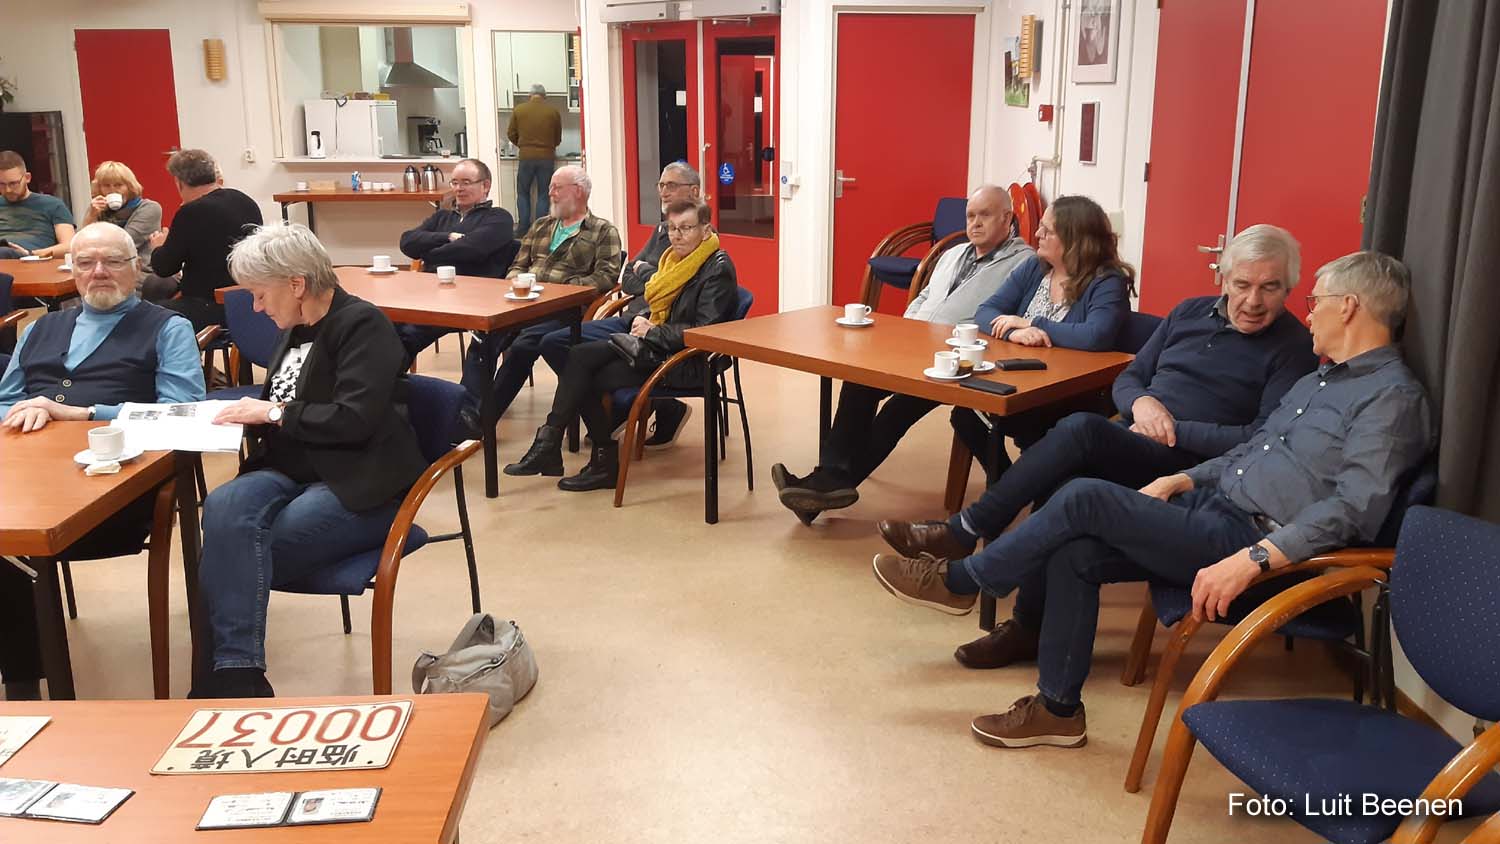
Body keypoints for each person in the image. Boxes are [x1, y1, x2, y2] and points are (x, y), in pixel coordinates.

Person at [872, 251, 1433, 750]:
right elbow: (1252, 451)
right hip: (1212, 508)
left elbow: (1355, 509)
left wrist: (1256, 558)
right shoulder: (1320, 382)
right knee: (1076, 547)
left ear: (1349, 307)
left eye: (1315, 301)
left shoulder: (1391, 398)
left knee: (1084, 495)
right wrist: (1181, 480)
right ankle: (1058, 712)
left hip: (1253, 543)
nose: (1307, 314)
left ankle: (963, 580)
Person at [876, 224, 1318, 669]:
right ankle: (1025, 625)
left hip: (1193, 469)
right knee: (1064, 477)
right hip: (1135, 437)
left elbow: (1260, 439)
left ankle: (965, 534)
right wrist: (1142, 403)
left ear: (1289, 289)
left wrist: (1173, 429)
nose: (1253, 300)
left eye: (1270, 287)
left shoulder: (1294, 348)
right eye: (1242, 284)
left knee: (1081, 431)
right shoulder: (1189, 312)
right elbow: (1130, 377)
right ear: (1223, 278)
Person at [771, 192, 1130, 523]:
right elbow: (988, 311)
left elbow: (1096, 335)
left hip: (1057, 388)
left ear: (1074, 237)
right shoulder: (1036, 268)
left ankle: (827, 485)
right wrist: (1014, 331)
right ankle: (828, 481)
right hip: (1004, 369)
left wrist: (1031, 324)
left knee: (932, 408)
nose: (1038, 233)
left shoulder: (1105, 280)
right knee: (861, 380)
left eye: (1047, 230)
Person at [193, 223, 427, 698]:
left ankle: (228, 675)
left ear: (296, 284)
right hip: (289, 467)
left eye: (260, 294)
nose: (256, 307)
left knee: (238, 550)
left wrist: (272, 412)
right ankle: (239, 673)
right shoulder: (296, 327)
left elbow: (353, 419)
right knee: (222, 509)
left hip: (356, 477)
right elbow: (285, 406)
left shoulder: (363, 325)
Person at [0, 222, 204, 701]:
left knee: (9, 554)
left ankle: (26, 689)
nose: (99, 272)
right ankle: (24, 678)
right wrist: (20, 411)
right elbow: (5, 399)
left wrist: (86, 413)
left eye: (112, 261)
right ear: (71, 270)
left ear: (137, 268)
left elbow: (184, 412)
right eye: (86, 263)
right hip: (28, 476)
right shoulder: (41, 328)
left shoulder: (168, 328)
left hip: (115, 487)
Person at [503, 198, 734, 491]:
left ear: (706, 229)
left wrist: (653, 331)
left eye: (686, 228)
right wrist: (648, 322)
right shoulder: (675, 261)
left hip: (686, 360)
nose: (676, 236)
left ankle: (590, 456)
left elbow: (706, 329)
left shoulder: (716, 267)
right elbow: (650, 293)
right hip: (658, 346)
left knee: (583, 373)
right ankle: (558, 443)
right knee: (578, 357)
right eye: (672, 228)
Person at [457, 165, 621, 431]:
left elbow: (606, 276)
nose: (550, 194)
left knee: (523, 347)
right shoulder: (541, 225)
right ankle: (464, 410)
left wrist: (563, 291)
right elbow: (518, 265)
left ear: (578, 191)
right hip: (524, 302)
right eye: (551, 188)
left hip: (564, 310)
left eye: (557, 188)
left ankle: (481, 421)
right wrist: (517, 282)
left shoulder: (602, 230)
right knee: (482, 338)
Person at [394, 158, 518, 358]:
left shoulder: (498, 218)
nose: (459, 189)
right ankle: (387, 374)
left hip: (472, 300)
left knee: (408, 333)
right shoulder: (442, 217)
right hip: (430, 294)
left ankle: (385, 373)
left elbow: (471, 249)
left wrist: (427, 252)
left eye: (466, 182)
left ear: (485, 186)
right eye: (455, 182)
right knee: (384, 322)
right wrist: (447, 236)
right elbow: (407, 242)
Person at [147, 149, 263, 330]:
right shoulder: (244, 200)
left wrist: (158, 247)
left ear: (179, 182)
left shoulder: (190, 213)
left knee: (146, 312)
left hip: (209, 304)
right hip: (250, 300)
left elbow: (164, 268)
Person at [79, 160, 163, 260]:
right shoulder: (98, 210)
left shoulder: (149, 208)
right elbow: (82, 244)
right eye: (106, 186)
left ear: (130, 187)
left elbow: (124, 244)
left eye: (118, 185)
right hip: (106, 265)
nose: (112, 190)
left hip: (140, 266)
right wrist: (91, 216)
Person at [0, 149, 75, 259]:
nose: (8, 190)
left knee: (4, 252)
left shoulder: (53, 205)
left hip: (34, 260)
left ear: (27, 178)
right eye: (1, 184)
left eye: (13, 183)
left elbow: (69, 246)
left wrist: (31, 254)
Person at [508, 83, 562, 234]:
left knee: (523, 193)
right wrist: (549, 146)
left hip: (526, 157)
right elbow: (558, 137)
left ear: (529, 96)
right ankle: (540, 229)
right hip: (547, 157)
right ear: (545, 96)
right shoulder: (553, 112)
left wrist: (523, 145)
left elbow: (511, 133)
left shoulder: (519, 110)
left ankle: (522, 228)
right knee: (544, 194)